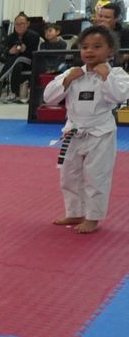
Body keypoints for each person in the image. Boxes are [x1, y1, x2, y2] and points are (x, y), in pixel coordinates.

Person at [42, 25, 129, 234]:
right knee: (69, 175)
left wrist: (105, 76)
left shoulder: (117, 74)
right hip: (73, 131)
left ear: (110, 51)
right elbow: (48, 98)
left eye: (97, 46)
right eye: (85, 47)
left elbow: (118, 97)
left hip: (100, 133)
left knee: (96, 176)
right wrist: (67, 79)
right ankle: (75, 211)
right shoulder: (73, 73)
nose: (90, 51)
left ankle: (93, 217)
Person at [0, 13, 41, 103]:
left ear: (28, 24)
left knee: (18, 59)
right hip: (15, 64)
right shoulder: (11, 37)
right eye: (17, 24)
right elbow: (3, 55)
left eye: (22, 23)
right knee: (18, 63)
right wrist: (9, 52)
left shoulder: (34, 36)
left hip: (29, 62)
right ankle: (14, 94)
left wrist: (24, 50)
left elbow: (33, 54)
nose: (19, 26)